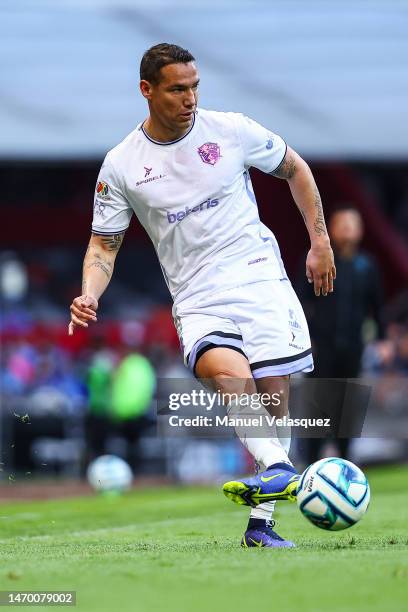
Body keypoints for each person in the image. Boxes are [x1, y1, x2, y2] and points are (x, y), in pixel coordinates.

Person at [68, 43, 335, 548]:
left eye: (194, 87)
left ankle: (262, 526)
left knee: (274, 393)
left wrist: (319, 240)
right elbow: (104, 242)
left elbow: (295, 168)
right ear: (147, 90)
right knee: (226, 373)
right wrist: (89, 293)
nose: (189, 98)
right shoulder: (122, 165)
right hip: (195, 293)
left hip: (258, 274)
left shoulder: (231, 130)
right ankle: (279, 466)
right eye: (177, 89)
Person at [297, 208, 384, 463]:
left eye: (352, 224)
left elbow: (376, 305)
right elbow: (301, 301)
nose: (347, 228)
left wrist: (381, 340)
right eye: (342, 223)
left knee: (347, 405)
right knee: (318, 400)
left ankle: (345, 460)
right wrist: (304, 338)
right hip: (321, 346)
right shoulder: (315, 259)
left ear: (360, 230)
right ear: (331, 229)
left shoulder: (366, 265)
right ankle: (310, 461)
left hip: (353, 347)